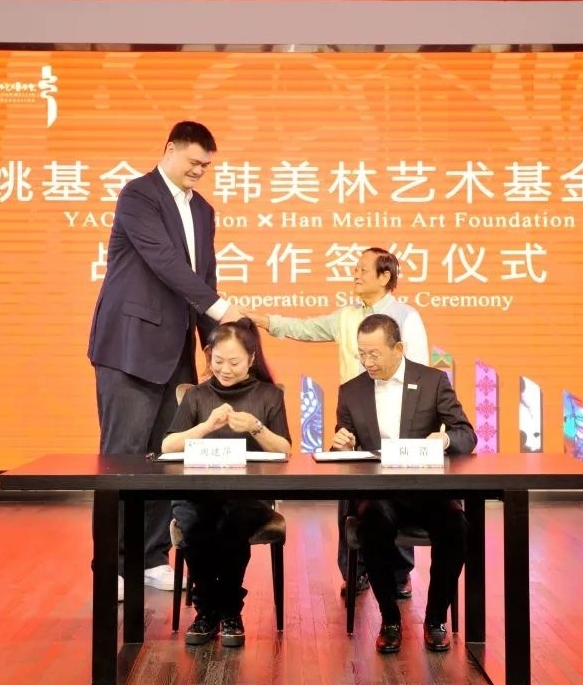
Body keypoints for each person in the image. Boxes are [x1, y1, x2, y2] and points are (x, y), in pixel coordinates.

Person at [87, 121, 242, 601]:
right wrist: (220, 307)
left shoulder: (203, 210)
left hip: (174, 352)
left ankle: (151, 556)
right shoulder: (139, 195)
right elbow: (165, 263)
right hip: (130, 348)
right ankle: (112, 565)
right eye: (193, 161)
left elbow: (203, 277)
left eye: (206, 166)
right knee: (123, 457)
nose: (199, 171)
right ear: (170, 149)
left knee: (168, 455)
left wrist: (218, 343)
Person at [245, 247, 427, 599]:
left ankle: (399, 574)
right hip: (355, 418)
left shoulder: (407, 317)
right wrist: (265, 320)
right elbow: (307, 328)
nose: (354, 274)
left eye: (362, 270)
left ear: (385, 276)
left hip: (397, 421)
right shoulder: (347, 315)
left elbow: (420, 372)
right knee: (349, 495)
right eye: (354, 268)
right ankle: (354, 571)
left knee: (398, 494)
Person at [331, 314, 475, 654]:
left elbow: (466, 435)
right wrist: (341, 442)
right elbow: (345, 445)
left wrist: (443, 440)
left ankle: (435, 618)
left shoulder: (432, 381)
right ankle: (390, 619)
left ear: (398, 348)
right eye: (361, 354)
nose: (367, 362)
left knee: (456, 527)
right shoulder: (351, 391)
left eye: (374, 354)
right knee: (371, 523)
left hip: (428, 491)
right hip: (380, 494)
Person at [162, 319, 292, 647]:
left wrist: (256, 427)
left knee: (233, 520)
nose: (225, 369)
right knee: (195, 520)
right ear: (209, 356)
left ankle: (228, 611)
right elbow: (168, 445)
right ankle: (208, 611)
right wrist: (205, 427)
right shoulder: (197, 395)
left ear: (251, 358)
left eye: (234, 362)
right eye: (218, 361)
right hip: (197, 493)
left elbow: (285, 450)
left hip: (249, 494)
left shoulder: (268, 395)